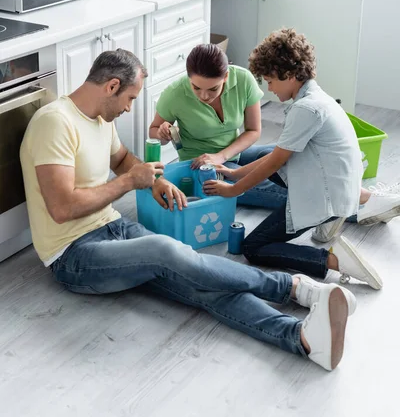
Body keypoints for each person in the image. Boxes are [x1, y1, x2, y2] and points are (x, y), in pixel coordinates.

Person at [20, 48, 357, 372]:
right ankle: (292, 288)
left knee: (200, 278)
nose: (129, 108)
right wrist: (127, 183)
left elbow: (122, 160)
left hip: (112, 226)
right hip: (73, 254)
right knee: (166, 249)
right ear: (111, 87)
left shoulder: (99, 118)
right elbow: (61, 208)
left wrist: (154, 180)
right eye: (131, 98)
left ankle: (302, 339)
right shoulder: (55, 123)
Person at [203, 28, 400, 290]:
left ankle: (334, 259)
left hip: (326, 196)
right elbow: (274, 157)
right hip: (336, 182)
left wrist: (234, 190)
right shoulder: (315, 96)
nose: (269, 88)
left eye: (271, 80)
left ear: (292, 75)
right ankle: (332, 219)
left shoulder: (306, 109)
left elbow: (276, 163)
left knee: (253, 247)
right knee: (266, 153)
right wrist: (233, 173)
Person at [149, 43, 287, 210]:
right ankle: (319, 201)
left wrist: (221, 156)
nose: (204, 96)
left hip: (234, 152)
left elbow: (253, 130)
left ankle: (315, 188)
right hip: (202, 167)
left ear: (226, 76)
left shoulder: (243, 80)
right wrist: (162, 133)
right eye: (196, 88)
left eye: (213, 89)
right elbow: (153, 131)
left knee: (286, 152)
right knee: (278, 190)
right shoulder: (174, 94)